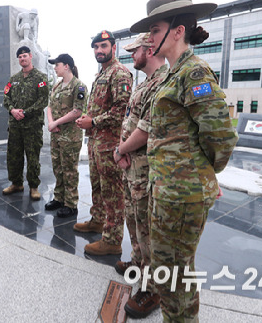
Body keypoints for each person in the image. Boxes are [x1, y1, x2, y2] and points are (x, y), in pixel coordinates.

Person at [129, 0, 239, 322]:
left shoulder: (194, 73)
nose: (149, 37)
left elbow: (221, 136)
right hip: (169, 192)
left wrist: (203, 173)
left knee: (172, 275)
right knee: (172, 271)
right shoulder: (175, 73)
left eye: (156, 28)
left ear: (178, 31)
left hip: (181, 195)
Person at [112, 33, 167, 318]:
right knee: (134, 222)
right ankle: (137, 263)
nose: (132, 55)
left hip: (146, 170)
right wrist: (123, 153)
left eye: (135, 51)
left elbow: (146, 129)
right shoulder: (145, 83)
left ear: (150, 49)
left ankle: (153, 289)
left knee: (147, 230)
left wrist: (121, 148)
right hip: (133, 167)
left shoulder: (162, 82)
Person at [74, 30, 133, 255]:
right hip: (96, 142)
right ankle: (98, 221)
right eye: (96, 47)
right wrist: (88, 121)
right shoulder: (102, 74)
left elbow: (121, 112)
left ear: (113, 48)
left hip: (110, 144)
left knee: (113, 193)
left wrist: (94, 121)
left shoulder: (119, 73)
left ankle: (112, 240)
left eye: (104, 46)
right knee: (98, 187)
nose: (99, 50)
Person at [2, 46, 49, 200]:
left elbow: (43, 100)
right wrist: (13, 110)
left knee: (32, 156)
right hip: (15, 125)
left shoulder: (40, 78)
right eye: (20, 57)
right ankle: (16, 183)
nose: (22, 59)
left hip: (32, 125)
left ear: (30, 56)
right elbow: (6, 98)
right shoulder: (13, 79)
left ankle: (34, 187)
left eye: (25, 56)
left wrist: (26, 112)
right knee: (14, 156)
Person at [44, 53, 87, 218]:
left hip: (70, 136)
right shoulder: (57, 86)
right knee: (58, 168)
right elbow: (49, 106)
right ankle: (59, 198)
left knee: (69, 170)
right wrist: (50, 123)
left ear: (67, 66)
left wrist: (56, 123)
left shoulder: (79, 86)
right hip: (56, 135)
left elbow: (77, 111)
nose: (55, 68)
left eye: (57, 65)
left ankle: (71, 204)